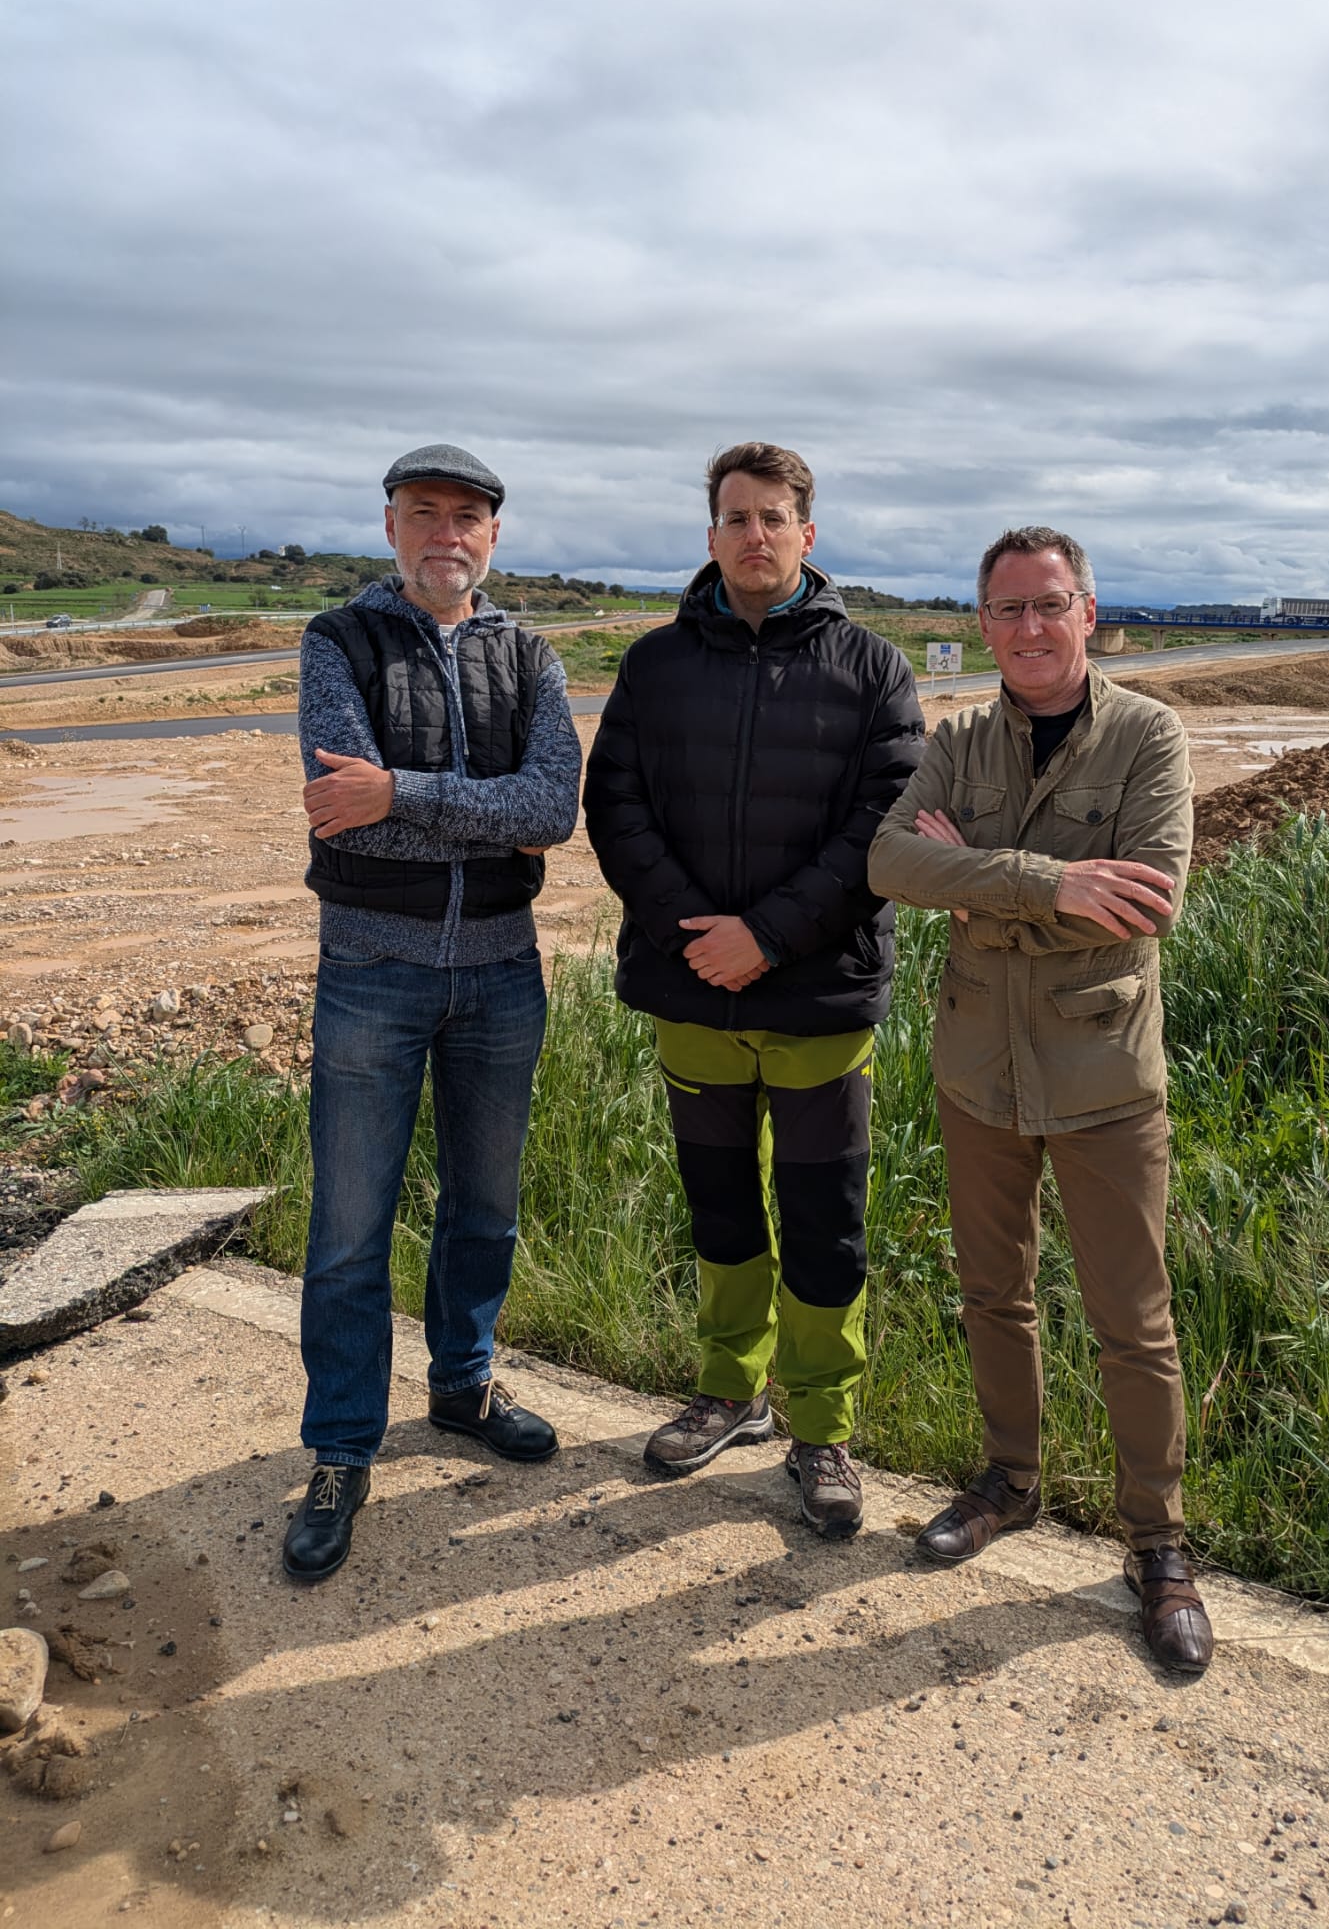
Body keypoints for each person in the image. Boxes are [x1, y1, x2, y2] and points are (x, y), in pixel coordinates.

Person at [866, 526, 1213, 1672]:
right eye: (1006, 608)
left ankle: (1156, 1545)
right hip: (978, 1070)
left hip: (1104, 1074)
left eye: (1048, 604)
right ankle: (1008, 1478)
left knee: (1134, 1320)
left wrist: (973, 884)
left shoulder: (1147, 734)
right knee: (992, 1290)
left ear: (1088, 611)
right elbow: (887, 863)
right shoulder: (959, 738)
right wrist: (1051, 879)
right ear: (983, 621)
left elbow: (1149, 898)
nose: (1027, 627)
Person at [583, 442, 924, 1537]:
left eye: (774, 517)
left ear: (807, 534)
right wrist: (702, 938)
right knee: (722, 1211)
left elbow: (885, 821)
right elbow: (616, 807)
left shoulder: (872, 668)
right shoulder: (654, 665)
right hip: (695, 996)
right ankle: (732, 1392)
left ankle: (821, 1426)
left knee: (825, 1221)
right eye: (735, 517)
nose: (754, 534)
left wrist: (766, 937)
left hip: (817, 998)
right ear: (711, 532)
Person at [283, 443, 581, 1584]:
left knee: (485, 1204)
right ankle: (342, 1447)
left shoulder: (530, 652)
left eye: (467, 515)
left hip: (503, 972)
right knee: (350, 1226)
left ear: (493, 535)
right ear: (391, 527)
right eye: (424, 512)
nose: (445, 532)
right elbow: (336, 814)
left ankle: (461, 1385)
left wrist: (400, 790)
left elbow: (551, 806)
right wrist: (465, 812)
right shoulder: (335, 642)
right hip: (370, 967)